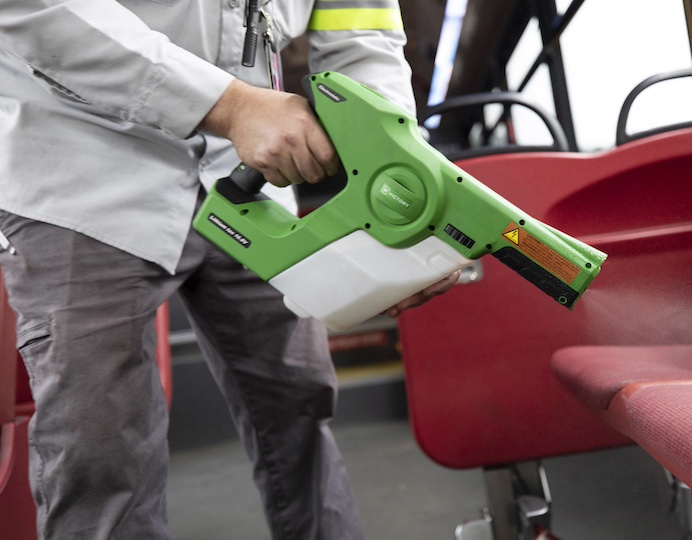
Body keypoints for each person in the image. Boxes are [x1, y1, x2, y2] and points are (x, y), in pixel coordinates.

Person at [0, 1, 457, 538]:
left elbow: (361, 31)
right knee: (99, 450)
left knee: (300, 401)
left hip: (249, 168)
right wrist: (229, 105)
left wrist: (393, 174)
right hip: (83, 161)